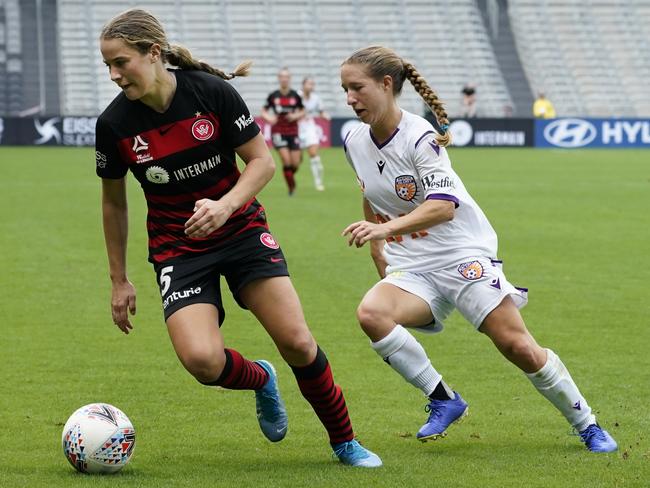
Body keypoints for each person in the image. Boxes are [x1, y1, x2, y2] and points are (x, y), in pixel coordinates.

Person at [96, 9, 381, 468]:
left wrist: (225, 206)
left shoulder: (211, 93)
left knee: (298, 343)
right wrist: (118, 279)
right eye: (107, 65)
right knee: (202, 361)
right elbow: (113, 203)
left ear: (153, 54)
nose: (113, 75)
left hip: (242, 231)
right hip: (178, 248)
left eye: (121, 62)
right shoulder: (114, 125)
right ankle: (260, 379)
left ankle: (344, 442)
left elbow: (262, 162)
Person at [339, 46, 617, 453]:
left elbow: (442, 208)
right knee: (372, 314)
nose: (349, 99)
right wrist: (378, 244)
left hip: (461, 254)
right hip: (413, 265)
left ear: (386, 85)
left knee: (516, 345)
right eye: (344, 89)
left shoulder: (421, 137)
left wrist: (384, 231)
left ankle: (587, 423)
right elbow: (371, 192)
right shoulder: (353, 140)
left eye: (357, 88)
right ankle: (443, 398)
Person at [261, 68, 304, 195]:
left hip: (293, 131)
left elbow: (303, 110)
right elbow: (264, 110)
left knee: (295, 164)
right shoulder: (273, 95)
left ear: (289, 79)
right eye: (282, 77)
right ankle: (291, 187)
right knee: (287, 161)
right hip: (278, 131)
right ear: (279, 79)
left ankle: (290, 176)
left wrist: (295, 116)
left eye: (286, 77)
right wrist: (269, 118)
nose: (284, 79)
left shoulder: (295, 95)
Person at [299, 76, 328, 191]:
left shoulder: (316, 98)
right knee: (295, 161)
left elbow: (321, 112)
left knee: (313, 154)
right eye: (309, 84)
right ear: (303, 85)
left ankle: (318, 182)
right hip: (296, 127)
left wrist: (325, 116)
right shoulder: (297, 96)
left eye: (312, 84)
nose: (311, 86)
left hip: (309, 126)